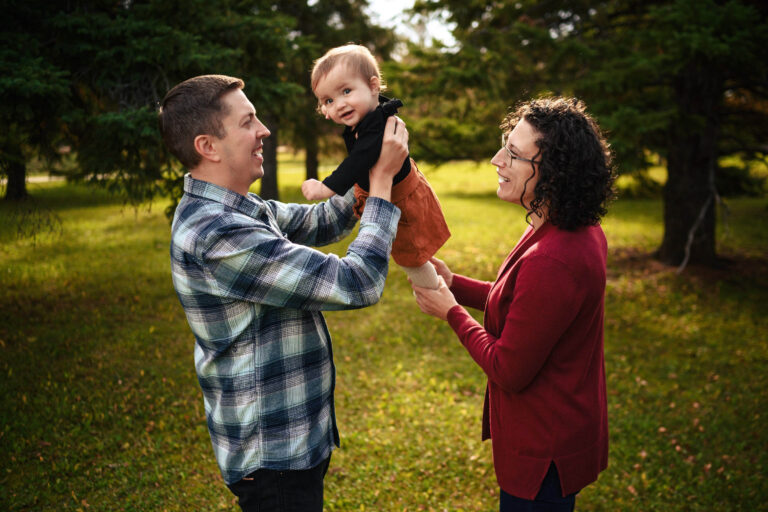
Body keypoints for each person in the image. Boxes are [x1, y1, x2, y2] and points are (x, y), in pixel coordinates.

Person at [158, 74, 408, 512]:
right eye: (248, 121)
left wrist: (368, 154)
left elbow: (324, 220)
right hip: (273, 457)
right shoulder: (216, 232)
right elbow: (357, 282)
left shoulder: (241, 207)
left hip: (292, 442)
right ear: (208, 146)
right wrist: (382, 182)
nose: (264, 131)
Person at [411, 97, 615, 511]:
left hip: (547, 447)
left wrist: (451, 311)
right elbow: (526, 306)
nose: (496, 159)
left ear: (554, 173)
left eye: (515, 155)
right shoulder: (564, 226)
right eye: (505, 145)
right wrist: (455, 284)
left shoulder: (555, 258)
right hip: (556, 426)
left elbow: (508, 368)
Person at [301, 44, 450, 289]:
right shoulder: (370, 116)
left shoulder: (376, 126)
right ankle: (438, 280)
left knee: (412, 260)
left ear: (372, 86)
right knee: (412, 252)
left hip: (400, 201)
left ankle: (437, 294)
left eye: (346, 91)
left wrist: (326, 187)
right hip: (391, 195)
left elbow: (360, 158)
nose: (338, 104)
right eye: (328, 100)